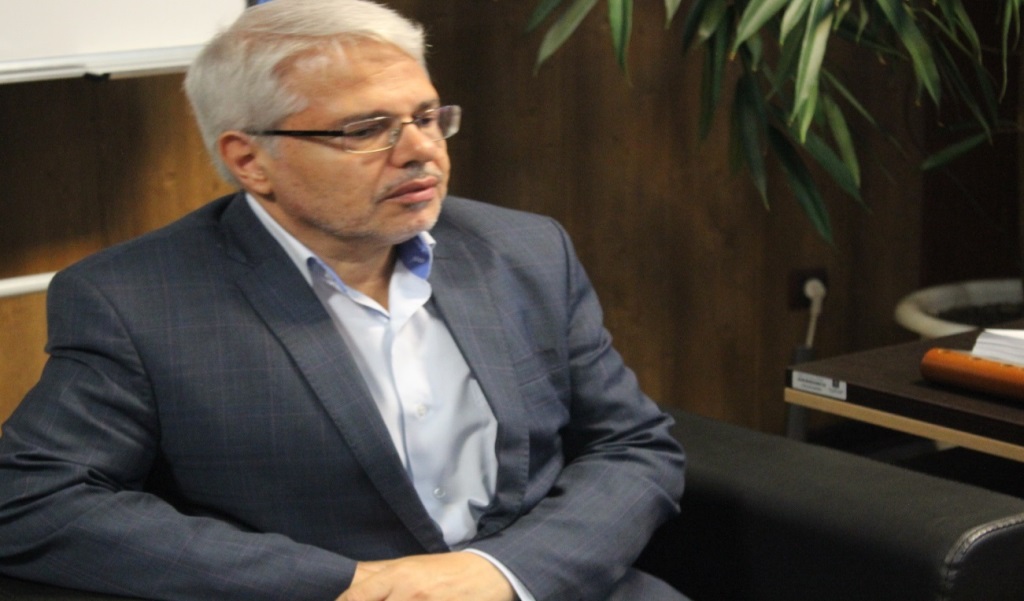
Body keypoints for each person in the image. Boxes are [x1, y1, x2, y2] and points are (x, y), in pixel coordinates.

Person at [0, 1, 687, 599]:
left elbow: (631, 444)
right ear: (249, 160)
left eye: (427, 117)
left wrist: (503, 571)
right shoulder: (135, 300)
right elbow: (34, 502)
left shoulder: (525, 249)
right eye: (364, 129)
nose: (420, 151)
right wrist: (351, 585)